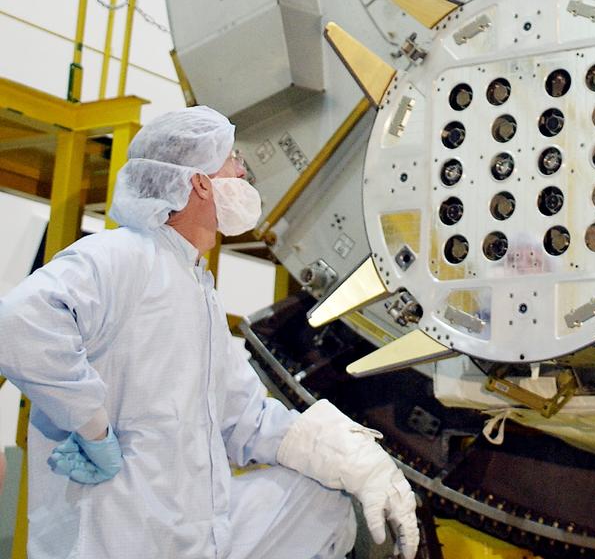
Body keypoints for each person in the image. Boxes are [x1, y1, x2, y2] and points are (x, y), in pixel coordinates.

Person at [0, 106, 418, 559]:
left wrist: (353, 457)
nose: (243, 171)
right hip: (120, 536)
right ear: (199, 183)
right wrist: (91, 425)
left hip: (191, 534)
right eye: (232, 159)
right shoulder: (123, 255)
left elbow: (245, 419)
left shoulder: (196, 289)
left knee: (321, 501)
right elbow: (19, 322)